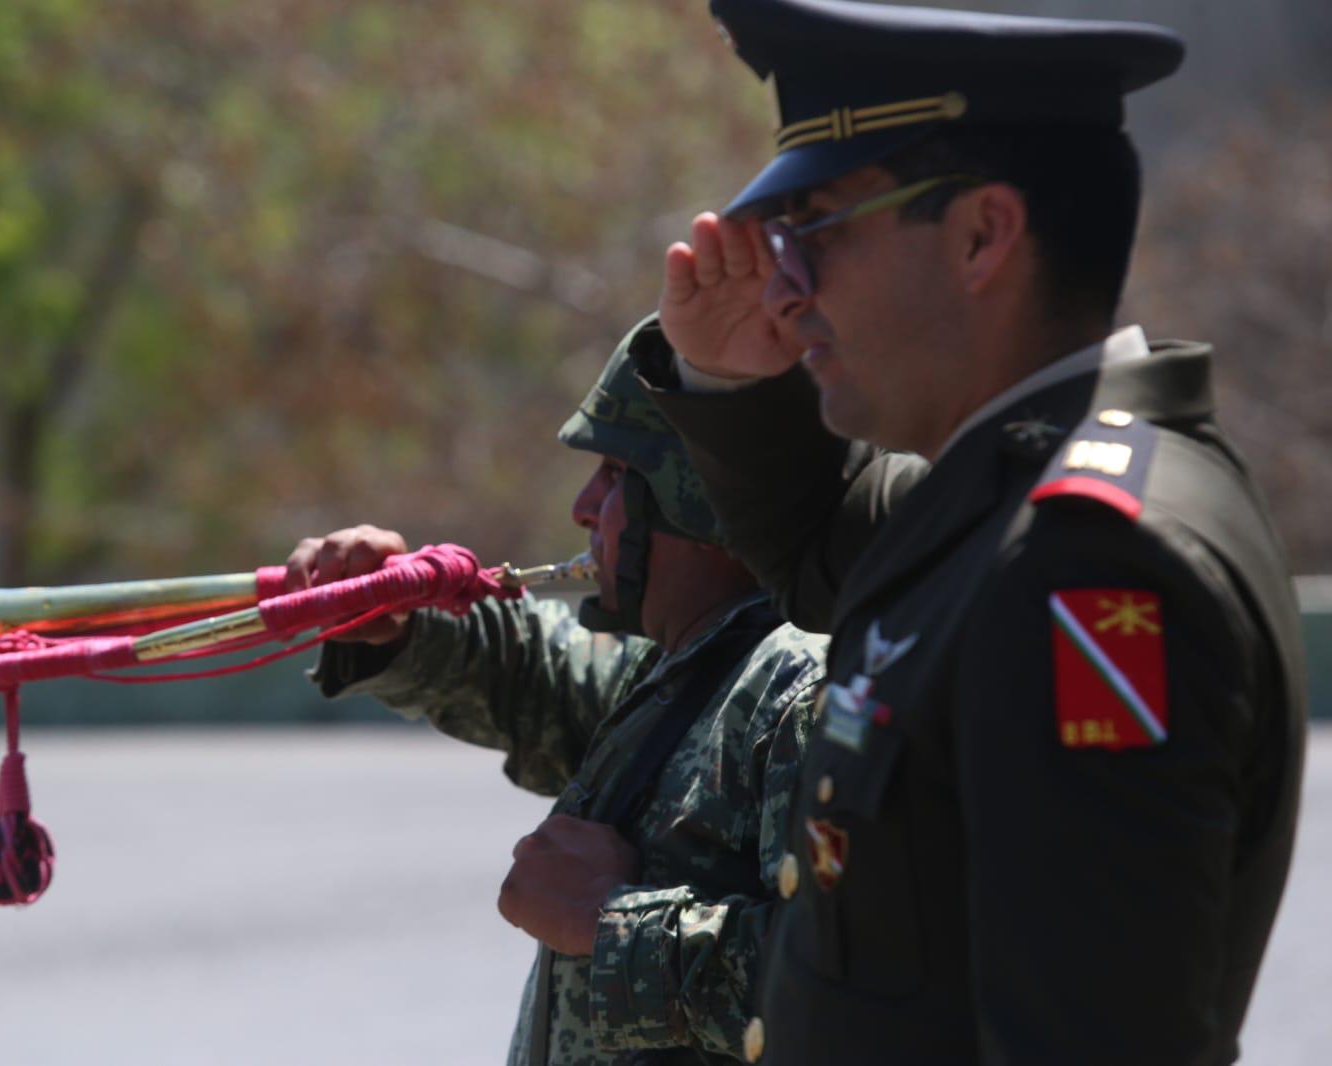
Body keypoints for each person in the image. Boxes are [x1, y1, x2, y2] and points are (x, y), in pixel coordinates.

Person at [630, 2, 1308, 1063]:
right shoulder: (1016, 492)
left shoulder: (1084, 561)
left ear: (984, 236)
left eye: (813, 237)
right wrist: (733, 380)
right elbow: (834, 556)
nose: (784, 290)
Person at [292, 317, 827, 1066]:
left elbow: (860, 989)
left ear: (708, 500)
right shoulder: (695, 664)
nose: (582, 506)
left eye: (616, 475)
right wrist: (394, 626)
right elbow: (541, 678)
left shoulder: (802, 684)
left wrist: (613, 925)